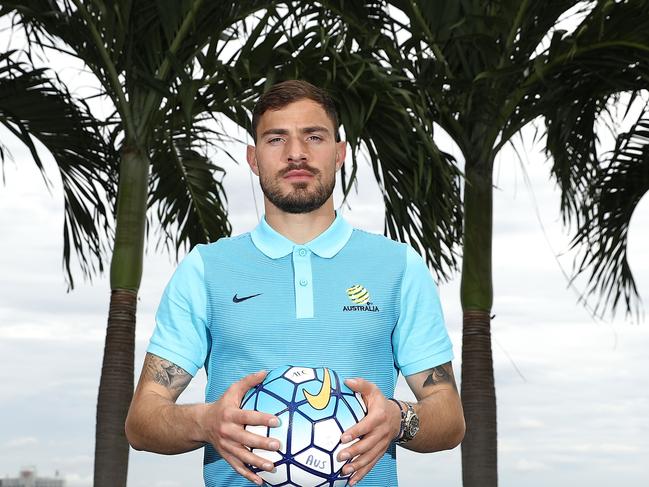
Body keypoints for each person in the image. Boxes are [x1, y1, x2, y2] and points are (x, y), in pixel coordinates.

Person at [125, 80, 465, 486]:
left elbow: (449, 417)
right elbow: (142, 420)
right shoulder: (205, 269)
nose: (296, 153)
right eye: (276, 139)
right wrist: (204, 421)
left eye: (314, 136)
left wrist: (397, 418)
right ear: (253, 158)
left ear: (340, 153)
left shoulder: (399, 267)